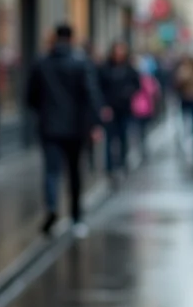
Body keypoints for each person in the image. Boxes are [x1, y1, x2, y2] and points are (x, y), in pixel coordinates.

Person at [27, 23, 104, 239]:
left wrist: (43, 113)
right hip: (75, 128)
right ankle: (76, 216)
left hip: (50, 126)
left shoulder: (41, 62)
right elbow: (91, 95)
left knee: (51, 171)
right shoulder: (81, 63)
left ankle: (52, 206)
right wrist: (95, 124)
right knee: (74, 172)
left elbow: (30, 97)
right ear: (72, 38)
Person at [98, 42, 139, 176]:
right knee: (109, 138)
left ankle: (122, 162)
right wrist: (103, 105)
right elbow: (99, 88)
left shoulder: (129, 69)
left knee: (123, 136)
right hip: (110, 109)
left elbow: (136, 85)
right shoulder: (105, 68)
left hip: (124, 108)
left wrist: (128, 93)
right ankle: (109, 166)